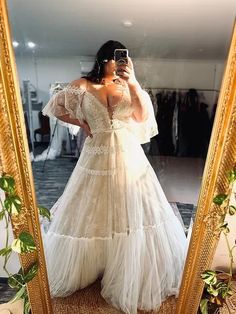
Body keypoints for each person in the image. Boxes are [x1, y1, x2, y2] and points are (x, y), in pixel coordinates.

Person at [42, 40, 187, 314]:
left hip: (128, 154)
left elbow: (143, 117)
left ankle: (126, 265)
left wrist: (133, 82)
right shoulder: (84, 84)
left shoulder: (128, 85)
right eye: (114, 59)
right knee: (92, 208)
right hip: (96, 154)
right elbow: (55, 106)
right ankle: (93, 262)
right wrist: (82, 122)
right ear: (103, 59)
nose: (118, 64)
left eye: (122, 60)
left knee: (130, 206)